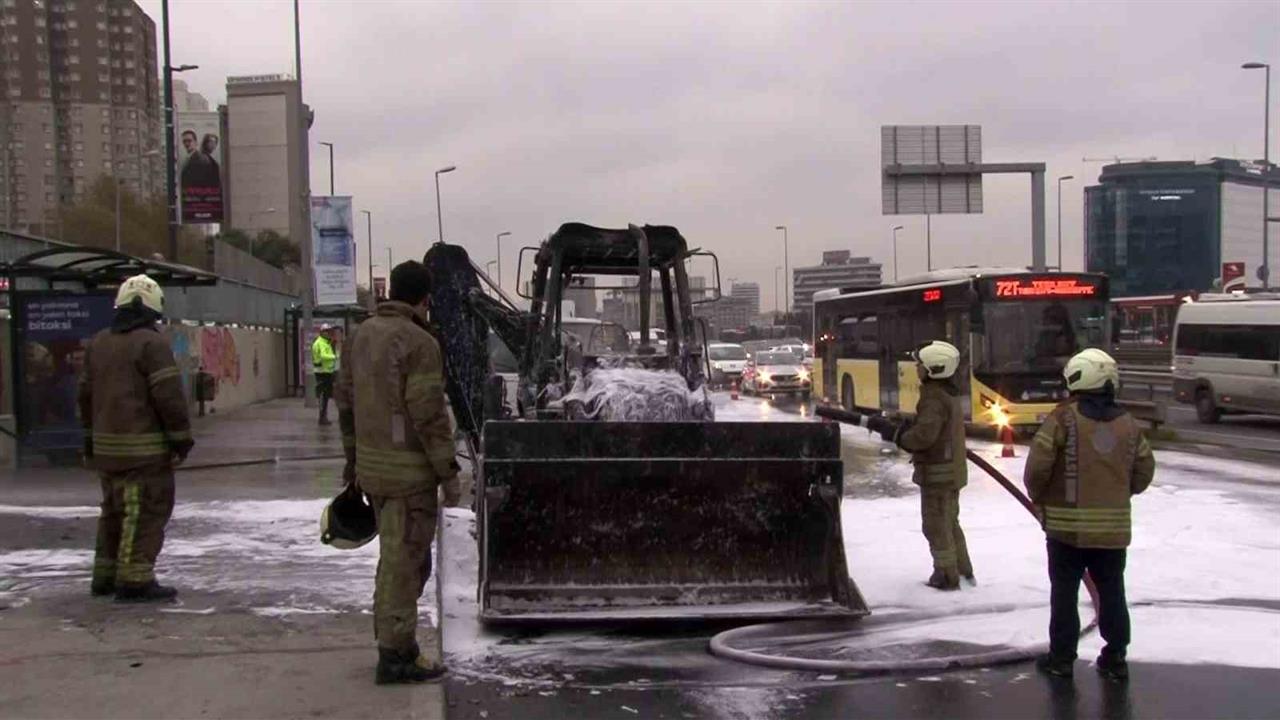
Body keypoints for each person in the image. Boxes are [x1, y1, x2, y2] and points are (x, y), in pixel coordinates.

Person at [334, 261, 462, 685]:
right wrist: (448, 471)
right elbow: (428, 414)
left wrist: (353, 463)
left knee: (393, 559)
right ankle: (397, 653)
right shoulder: (419, 343)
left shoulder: (360, 337)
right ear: (424, 299)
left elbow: (346, 404)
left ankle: (389, 637)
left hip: (373, 474)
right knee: (406, 563)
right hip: (409, 478)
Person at [1024, 348, 1155, 681]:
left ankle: (1062, 659)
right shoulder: (1129, 423)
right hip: (1112, 531)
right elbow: (1144, 471)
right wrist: (1119, 493)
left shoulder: (1062, 419)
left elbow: (1037, 469)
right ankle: (1115, 657)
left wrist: (1040, 499)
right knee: (1112, 592)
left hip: (1066, 531)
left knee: (1065, 594)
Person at [78, 274, 193, 602]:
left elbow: (84, 395)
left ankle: (105, 575)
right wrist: (180, 440)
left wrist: (89, 442)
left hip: (106, 451)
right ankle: (135, 579)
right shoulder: (151, 344)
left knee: (112, 511)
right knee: (144, 511)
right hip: (144, 453)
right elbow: (168, 397)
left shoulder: (99, 342)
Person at [867, 340, 973, 591]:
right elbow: (931, 425)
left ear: (933, 369)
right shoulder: (947, 394)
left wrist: (900, 437)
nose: (917, 368)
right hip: (951, 473)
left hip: (938, 474)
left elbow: (925, 436)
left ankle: (946, 576)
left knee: (935, 525)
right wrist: (904, 422)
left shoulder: (933, 397)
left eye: (920, 365)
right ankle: (962, 570)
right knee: (950, 522)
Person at [312, 325, 338, 425]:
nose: (329, 334)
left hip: (326, 372)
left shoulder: (325, 342)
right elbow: (323, 356)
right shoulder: (321, 343)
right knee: (323, 396)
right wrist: (334, 357)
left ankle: (323, 416)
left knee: (326, 396)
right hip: (322, 372)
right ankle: (322, 417)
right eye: (327, 332)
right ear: (322, 332)